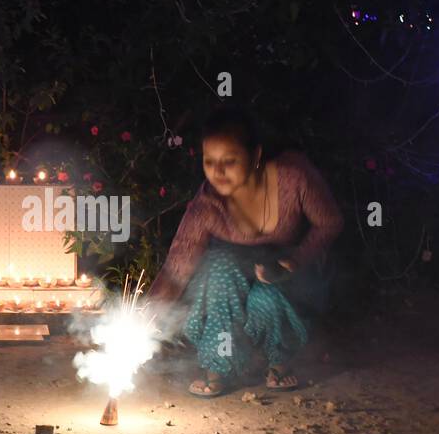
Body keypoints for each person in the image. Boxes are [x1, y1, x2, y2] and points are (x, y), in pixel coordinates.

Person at [146, 107, 343, 396]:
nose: (218, 172)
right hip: (232, 276)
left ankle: (279, 361)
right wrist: (147, 317)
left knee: (267, 297)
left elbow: (330, 222)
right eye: (209, 161)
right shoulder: (206, 207)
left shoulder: (293, 176)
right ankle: (218, 364)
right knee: (216, 268)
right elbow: (178, 264)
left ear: (256, 155)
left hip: (289, 267)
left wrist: (293, 261)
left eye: (230, 161)